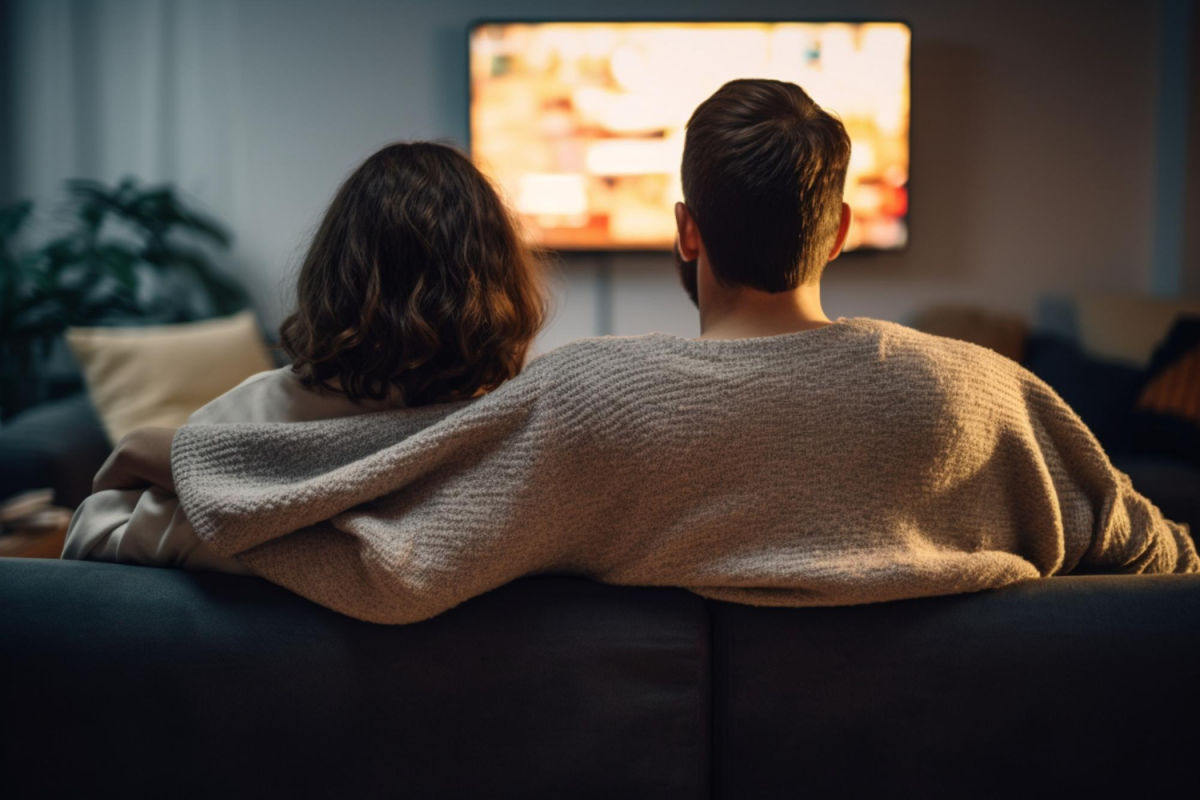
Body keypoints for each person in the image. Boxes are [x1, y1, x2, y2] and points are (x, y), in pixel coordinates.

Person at [80, 79, 1197, 623]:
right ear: (844, 229)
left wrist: (169, 482)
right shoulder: (986, 391)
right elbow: (1162, 560)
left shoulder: (597, 402)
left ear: (685, 234)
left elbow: (398, 553)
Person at [62, 141, 547, 569]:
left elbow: (92, 539)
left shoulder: (253, 415)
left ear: (334, 271)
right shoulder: (520, 446)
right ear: (499, 282)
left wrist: (146, 453)